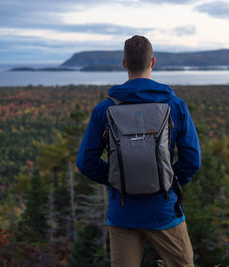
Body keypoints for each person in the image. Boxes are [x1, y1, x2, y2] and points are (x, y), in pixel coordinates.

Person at [76, 35, 201, 267]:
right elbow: (192, 160)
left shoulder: (104, 109)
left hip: (123, 213)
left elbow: (86, 163)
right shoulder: (176, 106)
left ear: (124, 63)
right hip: (164, 209)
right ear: (152, 62)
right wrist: (167, 180)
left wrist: (118, 179)